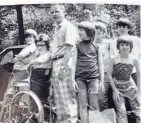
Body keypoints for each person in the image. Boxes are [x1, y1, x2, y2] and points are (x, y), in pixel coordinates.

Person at [50, 4, 78, 123]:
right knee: (59, 98)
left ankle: (71, 121)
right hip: (56, 62)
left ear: (63, 11)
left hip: (64, 62)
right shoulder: (57, 28)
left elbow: (69, 49)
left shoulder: (68, 26)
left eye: (57, 11)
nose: (55, 14)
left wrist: (63, 67)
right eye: (52, 12)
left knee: (67, 98)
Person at [107, 35, 141, 123]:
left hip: (130, 87)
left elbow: (139, 75)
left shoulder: (134, 60)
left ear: (131, 46)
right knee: (121, 111)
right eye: (122, 45)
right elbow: (109, 74)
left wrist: (138, 92)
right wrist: (114, 90)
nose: (124, 47)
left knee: (138, 110)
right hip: (118, 88)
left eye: (127, 45)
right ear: (118, 46)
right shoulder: (114, 59)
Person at [75, 21, 104, 123]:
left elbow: (100, 64)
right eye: (78, 29)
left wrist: (102, 81)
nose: (79, 32)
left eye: (81, 30)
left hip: (94, 79)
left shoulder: (97, 46)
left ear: (88, 31)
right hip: (80, 79)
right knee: (82, 105)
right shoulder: (77, 46)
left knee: (94, 105)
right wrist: (72, 80)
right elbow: (74, 63)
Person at [110, 18, 141, 84]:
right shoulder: (113, 43)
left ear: (128, 28)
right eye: (119, 27)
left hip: (134, 71)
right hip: (119, 73)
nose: (121, 29)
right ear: (117, 29)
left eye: (124, 27)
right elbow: (111, 56)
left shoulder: (136, 40)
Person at [7, 29, 38, 94]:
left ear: (34, 38)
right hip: (18, 72)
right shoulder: (27, 47)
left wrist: (18, 58)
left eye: (30, 37)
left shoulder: (32, 47)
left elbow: (17, 58)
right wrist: (21, 59)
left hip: (22, 72)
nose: (28, 39)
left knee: (10, 92)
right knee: (13, 91)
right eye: (26, 37)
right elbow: (19, 57)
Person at [93, 22, 112, 111]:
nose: (97, 31)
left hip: (105, 74)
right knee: (93, 98)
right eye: (95, 30)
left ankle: (105, 118)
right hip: (93, 74)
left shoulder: (108, 43)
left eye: (100, 30)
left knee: (102, 97)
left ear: (104, 33)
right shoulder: (89, 43)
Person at [27, 33, 52, 102]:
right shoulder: (39, 55)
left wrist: (30, 63)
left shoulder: (47, 55)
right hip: (38, 82)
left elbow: (39, 61)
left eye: (42, 45)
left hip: (39, 83)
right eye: (38, 45)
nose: (39, 48)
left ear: (47, 46)